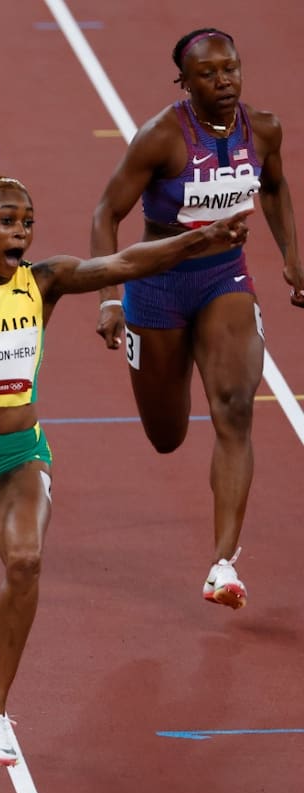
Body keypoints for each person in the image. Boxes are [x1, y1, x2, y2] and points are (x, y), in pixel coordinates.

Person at [0, 175, 249, 766]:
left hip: (19, 456)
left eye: (28, 222)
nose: (21, 232)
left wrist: (203, 239)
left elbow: (126, 262)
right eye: (8, 221)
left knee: (27, 558)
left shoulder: (45, 281)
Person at [91, 28, 303, 611]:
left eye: (231, 69)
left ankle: (223, 563)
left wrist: (292, 256)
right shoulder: (161, 138)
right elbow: (106, 214)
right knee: (167, 435)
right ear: (185, 83)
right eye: (209, 74)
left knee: (235, 406)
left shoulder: (264, 129)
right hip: (156, 286)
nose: (225, 81)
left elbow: (277, 189)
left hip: (223, 279)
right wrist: (111, 296)